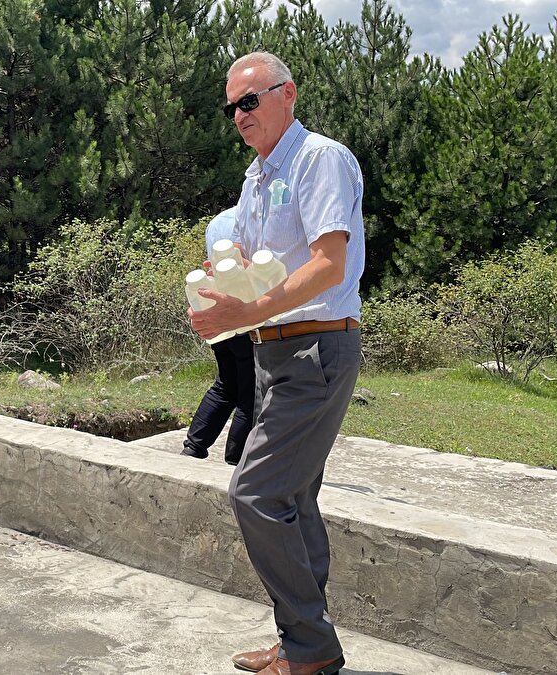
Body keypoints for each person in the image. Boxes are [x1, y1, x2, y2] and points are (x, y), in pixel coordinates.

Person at [187, 52, 363, 675]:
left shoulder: (320, 159)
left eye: (250, 101)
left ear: (288, 94)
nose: (239, 115)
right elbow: (262, 262)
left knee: (257, 492)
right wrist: (224, 278)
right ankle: (301, 641)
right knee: (293, 497)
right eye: (232, 107)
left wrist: (244, 311)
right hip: (276, 351)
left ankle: (310, 646)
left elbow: (328, 265)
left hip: (317, 347)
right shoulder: (256, 177)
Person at [182, 207, 255, 465]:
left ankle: (193, 447)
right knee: (251, 391)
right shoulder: (250, 217)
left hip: (214, 310)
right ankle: (236, 459)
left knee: (226, 384)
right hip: (242, 312)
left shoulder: (217, 222)